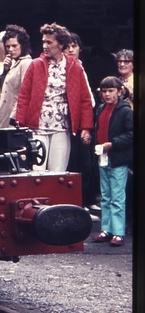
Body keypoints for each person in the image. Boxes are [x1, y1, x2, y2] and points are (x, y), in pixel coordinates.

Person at [15, 23, 94, 172]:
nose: (45, 45)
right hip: (37, 128)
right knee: (36, 171)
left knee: (58, 172)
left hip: (61, 128)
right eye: (43, 41)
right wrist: (20, 125)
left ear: (61, 44)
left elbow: (85, 100)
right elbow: (23, 97)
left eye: (49, 42)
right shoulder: (35, 65)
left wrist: (86, 128)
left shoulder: (75, 68)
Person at [90, 76, 133, 246]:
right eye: (104, 91)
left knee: (117, 196)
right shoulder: (101, 109)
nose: (107, 94)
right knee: (106, 196)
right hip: (103, 156)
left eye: (111, 91)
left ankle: (118, 231)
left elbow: (131, 133)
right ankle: (106, 229)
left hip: (117, 158)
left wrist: (112, 144)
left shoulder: (125, 111)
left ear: (119, 92)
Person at [66, 32, 96, 208]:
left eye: (74, 46)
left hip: (85, 119)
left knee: (87, 163)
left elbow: (88, 99)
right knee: (74, 164)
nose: (71, 50)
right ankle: (77, 205)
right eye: (68, 46)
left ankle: (87, 201)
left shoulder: (82, 67)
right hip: (71, 123)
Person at [0, 25, 32, 129]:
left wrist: (15, 119)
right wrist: (6, 70)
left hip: (13, 118)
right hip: (5, 115)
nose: (10, 49)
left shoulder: (26, 63)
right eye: (7, 46)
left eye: (14, 46)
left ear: (22, 45)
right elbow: (5, 90)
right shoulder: (16, 63)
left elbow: (25, 94)